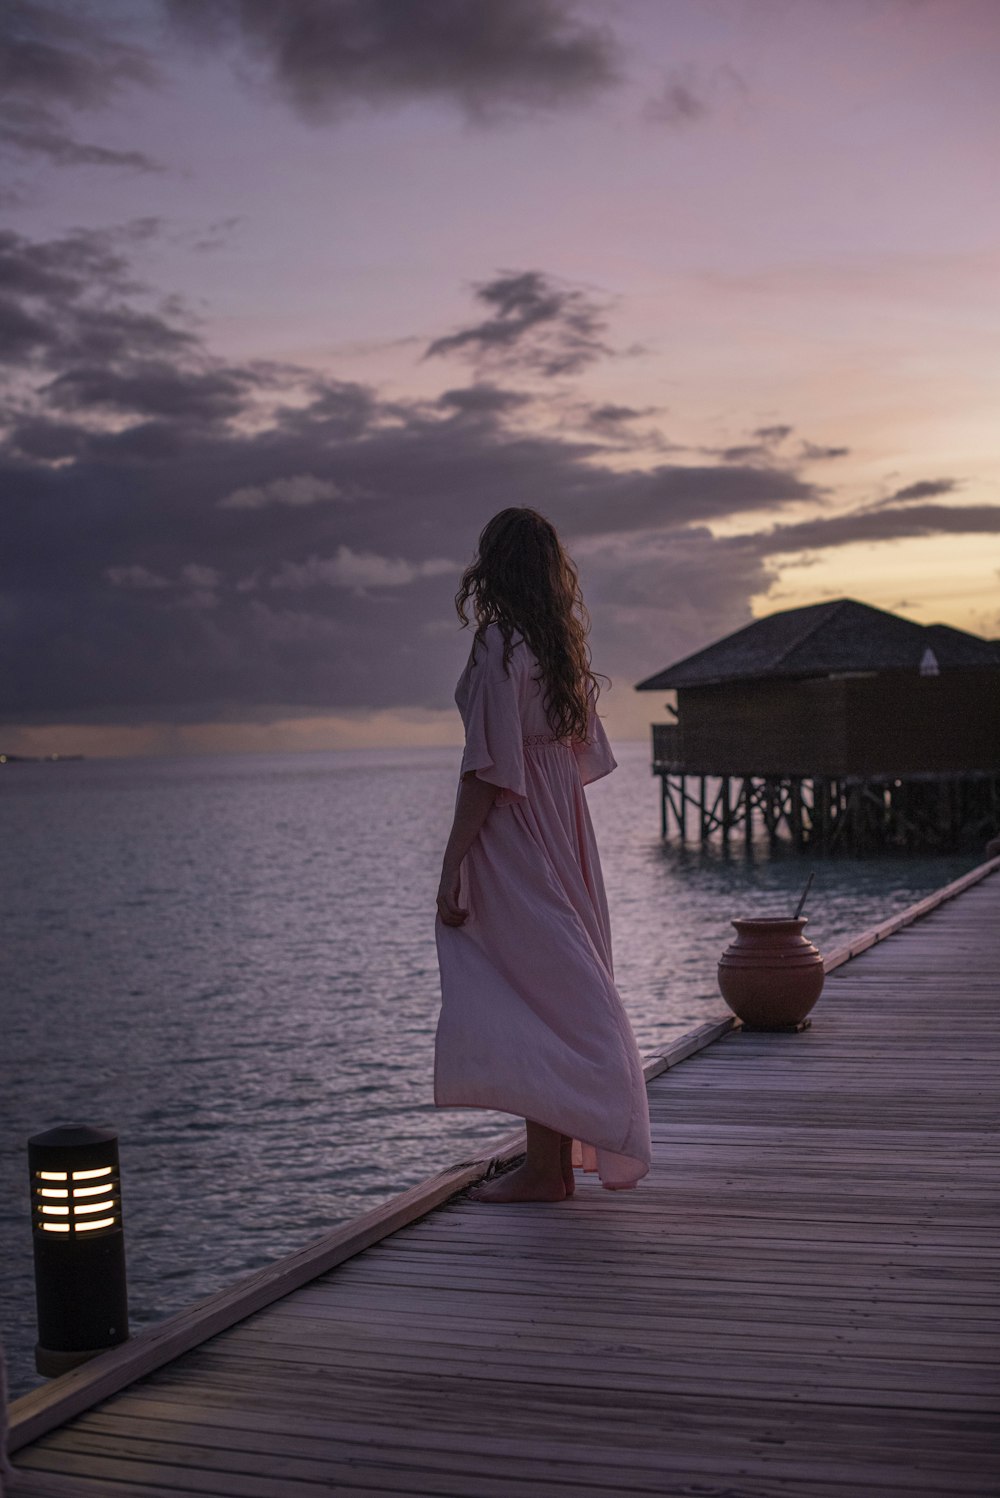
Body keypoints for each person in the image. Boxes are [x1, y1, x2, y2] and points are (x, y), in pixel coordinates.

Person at [434, 507, 652, 1203]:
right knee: (551, 985)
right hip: (561, 821)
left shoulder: (499, 643)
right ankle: (550, 1167)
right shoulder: (560, 646)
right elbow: (577, 758)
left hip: (516, 827)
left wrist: (451, 865)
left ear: (492, 567)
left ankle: (548, 1169)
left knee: (532, 991)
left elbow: (486, 768)